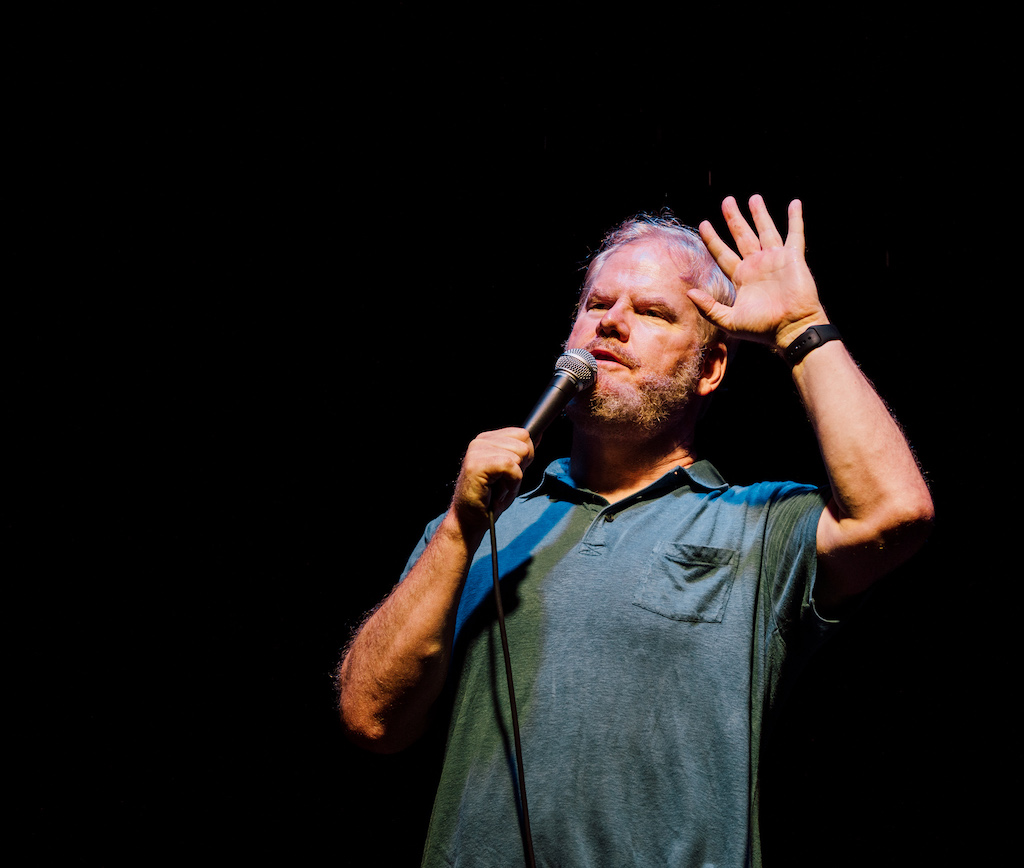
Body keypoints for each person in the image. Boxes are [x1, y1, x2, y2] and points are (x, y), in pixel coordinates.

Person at [337, 195, 934, 867]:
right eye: (597, 306)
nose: (611, 325)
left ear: (710, 368)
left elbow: (894, 513)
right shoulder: (480, 527)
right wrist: (458, 530)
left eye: (650, 313)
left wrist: (802, 327)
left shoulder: (757, 523)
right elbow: (371, 718)